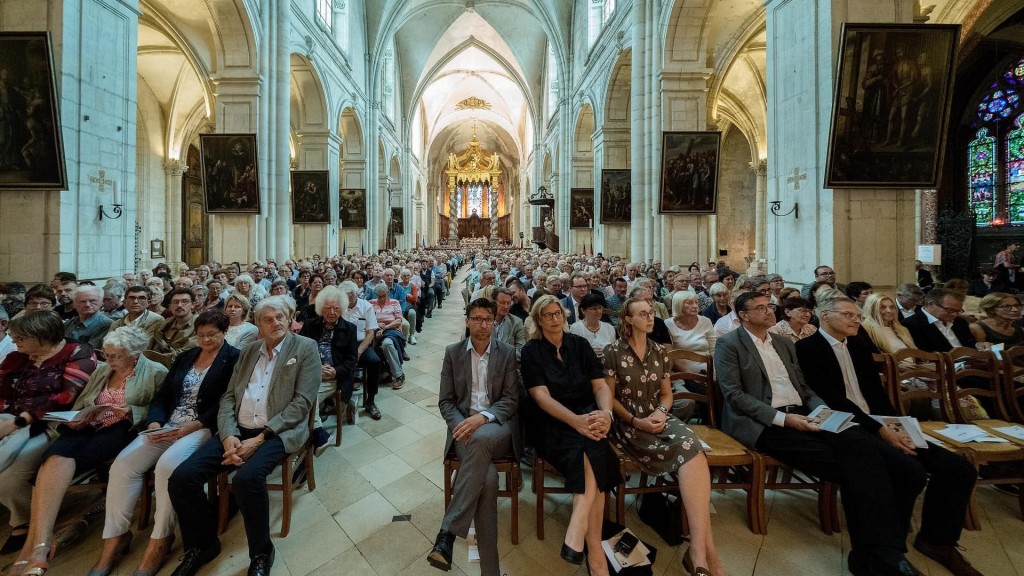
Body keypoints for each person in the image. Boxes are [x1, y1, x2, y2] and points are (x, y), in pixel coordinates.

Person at [715, 291, 927, 576]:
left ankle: (876, 554)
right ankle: (881, 555)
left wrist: (823, 413)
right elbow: (734, 395)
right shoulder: (730, 343)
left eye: (770, 306)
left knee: (868, 450)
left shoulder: (782, 342)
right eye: (761, 308)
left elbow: (804, 389)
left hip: (805, 414)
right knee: (863, 465)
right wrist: (785, 419)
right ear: (743, 315)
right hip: (765, 423)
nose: (769, 312)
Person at [796, 297, 982, 576]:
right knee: (908, 471)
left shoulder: (858, 345)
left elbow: (876, 394)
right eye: (848, 314)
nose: (856, 319)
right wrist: (879, 430)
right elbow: (832, 399)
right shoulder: (807, 348)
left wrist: (898, 426)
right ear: (824, 315)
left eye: (858, 315)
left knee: (958, 468)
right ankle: (888, 552)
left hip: (878, 421)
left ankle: (937, 541)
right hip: (847, 425)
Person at [167, 296, 320, 576]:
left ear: (289, 318)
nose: (276, 323)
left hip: (277, 431)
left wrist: (260, 438)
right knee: (182, 478)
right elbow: (228, 397)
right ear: (258, 325)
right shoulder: (249, 351)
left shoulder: (305, 347)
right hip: (236, 430)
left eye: (280, 317)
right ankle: (202, 545)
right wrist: (228, 435)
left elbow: (303, 402)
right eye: (268, 319)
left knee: (247, 479)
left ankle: (261, 552)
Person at [90, 312, 239, 576]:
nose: (205, 340)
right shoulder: (185, 357)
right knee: (123, 466)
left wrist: (196, 424)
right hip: (167, 425)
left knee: (167, 468)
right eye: (200, 334)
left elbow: (228, 400)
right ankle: (115, 538)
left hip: (201, 427)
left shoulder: (234, 358)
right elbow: (162, 396)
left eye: (212, 335)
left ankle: (160, 538)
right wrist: (155, 423)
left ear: (224, 332)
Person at [10, 326, 165, 576]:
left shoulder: (156, 371)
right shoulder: (103, 369)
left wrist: (130, 411)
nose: (109, 360)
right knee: (52, 459)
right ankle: (37, 545)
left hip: (120, 428)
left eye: (116, 356)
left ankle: (34, 550)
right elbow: (85, 400)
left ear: (135, 353)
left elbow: (160, 408)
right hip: (87, 425)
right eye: (106, 354)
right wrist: (76, 418)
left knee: (61, 461)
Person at [605, 298, 723, 576]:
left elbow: (667, 394)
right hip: (628, 422)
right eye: (643, 314)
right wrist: (638, 421)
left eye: (651, 313)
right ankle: (706, 555)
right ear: (628, 320)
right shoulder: (613, 351)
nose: (650, 318)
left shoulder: (660, 351)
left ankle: (699, 550)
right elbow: (608, 398)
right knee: (688, 451)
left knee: (693, 447)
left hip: (657, 415)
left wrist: (660, 412)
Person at [521, 295, 619, 574]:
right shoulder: (532, 351)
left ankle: (580, 527)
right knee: (593, 446)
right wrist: (577, 422)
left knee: (593, 440)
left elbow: (600, 386)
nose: (555, 319)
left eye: (558, 314)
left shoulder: (580, 344)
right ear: (539, 320)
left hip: (587, 415)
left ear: (565, 316)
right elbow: (542, 398)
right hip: (551, 423)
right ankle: (594, 550)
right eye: (548, 315)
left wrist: (606, 415)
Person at [427, 299, 520, 575]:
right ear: (467, 321)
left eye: (488, 319)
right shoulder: (453, 353)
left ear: (494, 322)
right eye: (477, 319)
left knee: (481, 439)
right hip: (464, 429)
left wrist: (482, 418)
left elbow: (511, 400)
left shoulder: (507, 352)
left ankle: (447, 532)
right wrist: (461, 425)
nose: (483, 325)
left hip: (497, 426)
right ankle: (490, 571)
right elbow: (446, 402)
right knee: (488, 480)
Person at [0, 312, 97, 556]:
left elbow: (65, 397)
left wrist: (21, 420)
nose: (14, 340)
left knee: (9, 479)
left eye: (20, 336)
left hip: (51, 423)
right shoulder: (17, 357)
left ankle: (25, 522)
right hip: (11, 419)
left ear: (41, 336)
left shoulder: (78, 353)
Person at [299, 285, 358, 455]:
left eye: (336, 308)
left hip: (332, 378)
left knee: (308, 395)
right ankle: (317, 432)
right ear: (320, 308)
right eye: (327, 308)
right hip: (310, 374)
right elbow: (299, 350)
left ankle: (308, 439)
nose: (332, 312)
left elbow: (352, 360)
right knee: (298, 394)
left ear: (342, 309)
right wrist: (315, 369)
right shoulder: (310, 325)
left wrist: (335, 371)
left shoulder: (349, 329)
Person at [340, 281, 384, 420]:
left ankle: (370, 401)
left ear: (356, 293)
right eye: (346, 295)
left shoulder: (366, 306)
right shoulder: (339, 306)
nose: (349, 297)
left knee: (375, 361)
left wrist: (359, 351)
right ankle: (335, 399)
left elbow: (370, 333)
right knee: (333, 361)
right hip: (342, 345)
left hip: (361, 344)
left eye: (351, 294)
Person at [902, 288, 976, 352]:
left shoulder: (960, 322)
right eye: (949, 310)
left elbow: (970, 346)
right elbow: (924, 355)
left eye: (958, 311)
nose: (954, 315)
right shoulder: (911, 325)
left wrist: (979, 346)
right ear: (931, 304)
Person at [666, 291, 716, 375]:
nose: (695, 306)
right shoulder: (668, 324)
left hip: (709, 371)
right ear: (679, 305)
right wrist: (692, 375)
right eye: (689, 303)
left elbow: (713, 349)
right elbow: (671, 357)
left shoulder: (705, 321)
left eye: (696, 302)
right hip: (682, 374)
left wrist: (714, 371)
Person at [145, 288, 198, 369]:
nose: (179, 305)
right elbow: (151, 350)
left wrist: (157, 357)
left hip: (184, 368)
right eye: (176, 302)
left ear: (193, 304)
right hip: (156, 368)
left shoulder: (201, 325)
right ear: (170, 306)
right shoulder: (163, 324)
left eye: (185, 301)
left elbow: (186, 354)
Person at [370, 283, 406, 389]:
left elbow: (398, 320)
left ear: (387, 293)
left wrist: (385, 327)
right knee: (368, 344)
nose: (381, 299)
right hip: (374, 330)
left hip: (392, 330)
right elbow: (367, 319)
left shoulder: (394, 303)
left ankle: (399, 375)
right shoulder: (371, 303)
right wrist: (377, 326)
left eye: (383, 296)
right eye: (379, 296)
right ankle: (374, 374)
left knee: (387, 343)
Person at [63, 285, 113, 350]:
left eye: (92, 301)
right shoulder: (68, 324)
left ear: (101, 302)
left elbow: (90, 350)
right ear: (74, 304)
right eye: (82, 301)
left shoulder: (107, 324)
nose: (87, 305)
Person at [568, 292, 616, 357]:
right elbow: (574, 353)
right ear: (583, 310)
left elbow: (614, 352)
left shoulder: (609, 328)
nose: (598, 311)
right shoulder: (575, 328)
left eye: (600, 308)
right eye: (594, 309)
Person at [491, 288, 527, 359]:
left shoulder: (516, 322)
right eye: (502, 302)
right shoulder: (484, 321)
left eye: (508, 303)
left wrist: (500, 356)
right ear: (493, 302)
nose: (506, 306)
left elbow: (521, 350)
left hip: (508, 366)